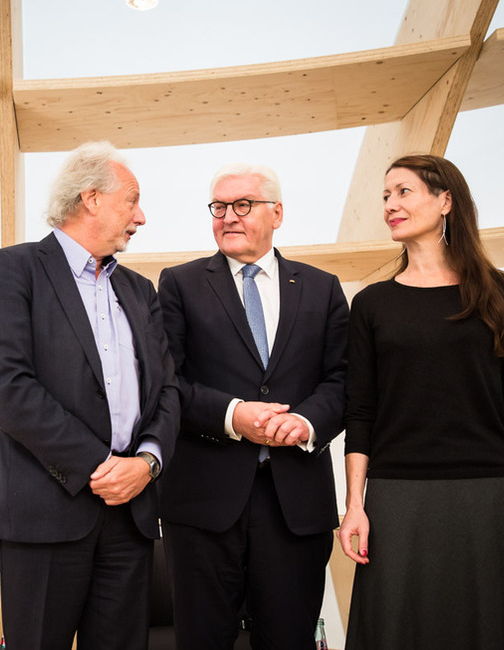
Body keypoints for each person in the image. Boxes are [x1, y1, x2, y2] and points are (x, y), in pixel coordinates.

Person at [338, 154, 504, 649]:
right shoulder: (372, 303)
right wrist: (355, 505)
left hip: (487, 495)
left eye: (403, 192)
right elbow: (361, 411)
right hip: (398, 497)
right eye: (386, 196)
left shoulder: (502, 292)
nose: (391, 205)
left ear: (445, 201)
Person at [0, 141, 179, 650]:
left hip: (129, 513)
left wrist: (146, 463)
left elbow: (167, 390)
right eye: (132, 200)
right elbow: (11, 391)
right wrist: (102, 465)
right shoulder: (13, 269)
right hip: (44, 513)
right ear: (91, 198)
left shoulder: (140, 290)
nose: (142, 216)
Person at [157, 163, 349, 649]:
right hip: (203, 503)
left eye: (243, 205)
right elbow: (167, 383)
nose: (229, 217)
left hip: (295, 505)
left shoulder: (322, 287)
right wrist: (233, 416)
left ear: (276, 213)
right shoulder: (178, 284)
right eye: (219, 207)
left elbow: (344, 379)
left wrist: (306, 422)